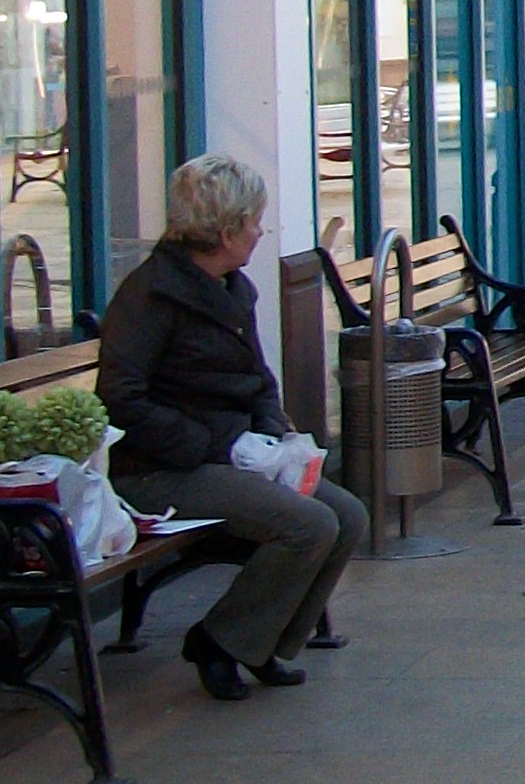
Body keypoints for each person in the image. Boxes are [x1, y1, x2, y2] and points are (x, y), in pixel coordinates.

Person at [97, 153, 367, 703]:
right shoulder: (151, 296)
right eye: (253, 221)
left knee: (348, 514)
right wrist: (220, 445)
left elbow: (256, 378)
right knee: (309, 524)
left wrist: (271, 432)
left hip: (226, 456)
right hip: (160, 470)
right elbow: (121, 402)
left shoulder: (229, 286)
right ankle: (219, 642)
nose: (260, 230)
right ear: (225, 231)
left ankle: (263, 640)